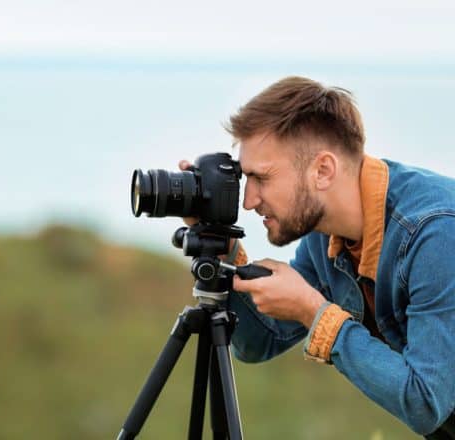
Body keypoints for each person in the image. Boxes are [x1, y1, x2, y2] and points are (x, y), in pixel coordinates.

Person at [180, 76, 455, 439]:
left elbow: (425, 403)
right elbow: (258, 341)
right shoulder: (325, 236)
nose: (248, 200)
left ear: (323, 170)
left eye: (261, 178)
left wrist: (313, 311)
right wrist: (220, 247)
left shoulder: (435, 234)